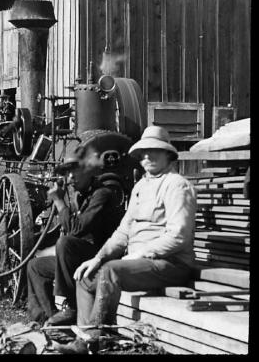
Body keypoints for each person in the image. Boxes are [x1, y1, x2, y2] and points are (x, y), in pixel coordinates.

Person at [59, 125, 196, 354]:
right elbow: (123, 232)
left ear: (168, 155)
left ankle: (92, 340)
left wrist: (142, 253)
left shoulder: (177, 186)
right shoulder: (141, 186)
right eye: (144, 152)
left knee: (110, 271)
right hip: (140, 264)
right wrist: (97, 258)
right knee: (86, 276)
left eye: (155, 151)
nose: (148, 156)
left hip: (172, 264)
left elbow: (179, 235)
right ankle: (88, 338)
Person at [24, 130, 129, 325]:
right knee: (35, 266)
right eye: (66, 173)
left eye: (74, 171)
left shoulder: (102, 194)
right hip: (80, 255)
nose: (70, 177)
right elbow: (70, 228)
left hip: (102, 255)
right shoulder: (80, 196)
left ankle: (71, 306)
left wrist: (59, 202)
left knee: (66, 243)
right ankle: (46, 317)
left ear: (88, 171)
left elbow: (75, 230)